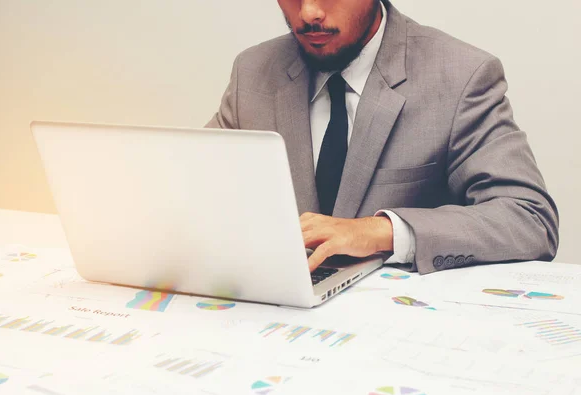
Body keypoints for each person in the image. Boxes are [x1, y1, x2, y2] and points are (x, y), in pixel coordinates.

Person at [206, 0, 559, 275]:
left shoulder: (461, 76)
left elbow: (530, 220)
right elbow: (194, 191)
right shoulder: (252, 73)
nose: (309, 12)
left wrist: (384, 232)